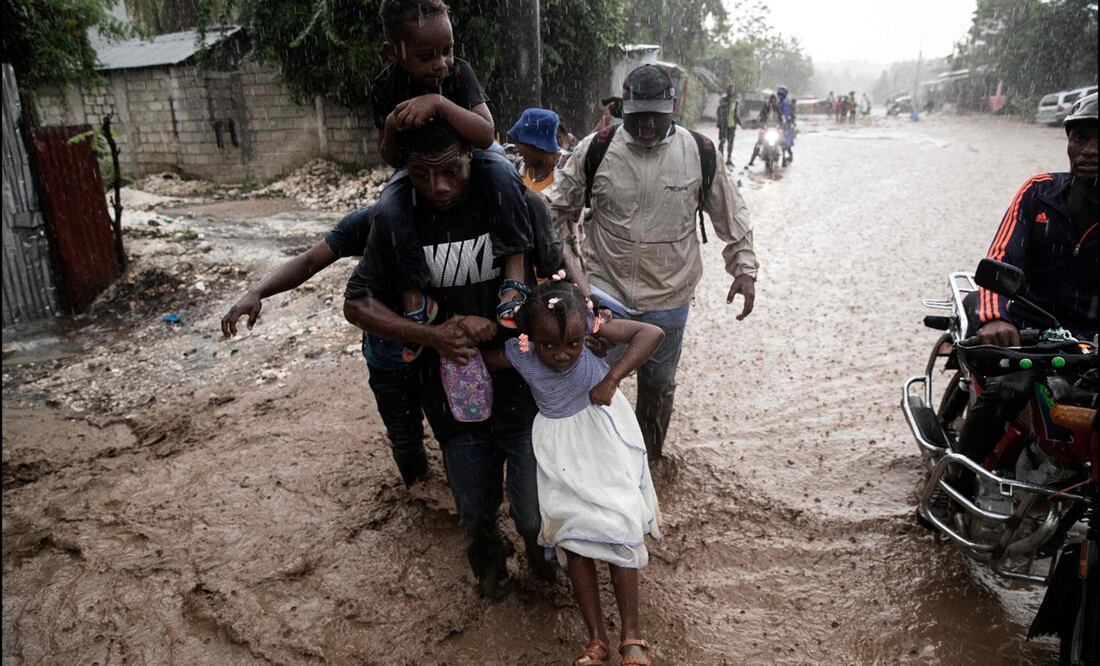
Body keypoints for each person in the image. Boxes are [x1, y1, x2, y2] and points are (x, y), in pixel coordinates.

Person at [343, 120, 562, 598]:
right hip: (449, 396)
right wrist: (433, 334)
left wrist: (579, 324)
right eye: (422, 175)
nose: (439, 187)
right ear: (406, 171)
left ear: (472, 158)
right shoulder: (395, 221)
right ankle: (492, 579)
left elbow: (559, 275)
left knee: (531, 509)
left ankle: (543, 567)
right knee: (475, 510)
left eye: (451, 172)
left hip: (520, 390)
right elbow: (356, 303)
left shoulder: (516, 203)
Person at [546, 64, 759, 460]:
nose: (644, 126)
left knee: (658, 386)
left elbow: (732, 215)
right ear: (623, 106)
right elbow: (555, 210)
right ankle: (595, 467)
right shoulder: (596, 148)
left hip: (670, 297)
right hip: (604, 293)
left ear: (673, 106)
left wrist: (744, 269)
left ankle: (650, 464)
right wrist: (568, 275)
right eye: (636, 116)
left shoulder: (699, 152)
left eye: (655, 117)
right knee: (586, 380)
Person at [481, 279, 663, 666]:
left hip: (602, 441)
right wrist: (449, 339)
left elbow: (652, 333)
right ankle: (596, 639)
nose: (562, 355)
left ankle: (632, 639)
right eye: (549, 345)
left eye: (572, 344)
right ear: (530, 336)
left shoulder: (593, 328)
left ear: (587, 331)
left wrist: (612, 378)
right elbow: (483, 359)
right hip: (558, 451)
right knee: (572, 537)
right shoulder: (521, 351)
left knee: (619, 527)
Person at [952, 92, 1098, 497]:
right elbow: (1000, 253)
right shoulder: (1038, 192)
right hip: (1027, 327)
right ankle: (955, 489)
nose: (1089, 151)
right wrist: (997, 317)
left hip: (1087, 340)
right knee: (1007, 390)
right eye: (1080, 138)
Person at [220, 206, 430, 487]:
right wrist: (257, 291)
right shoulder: (377, 219)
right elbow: (309, 261)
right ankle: (421, 495)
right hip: (387, 352)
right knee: (405, 439)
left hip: (441, 350)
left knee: (459, 435)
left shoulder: (457, 217)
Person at [369, 0, 533, 355]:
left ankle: (515, 272)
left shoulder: (459, 74)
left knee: (505, 172)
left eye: (447, 50)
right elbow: (392, 158)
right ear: (392, 53)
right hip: (418, 167)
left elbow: (486, 134)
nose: (440, 63)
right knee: (386, 209)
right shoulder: (384, 88)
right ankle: (415, 298)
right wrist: (393, 129)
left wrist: (439, 104)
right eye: (426, 56)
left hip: (470, 155)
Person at [747, 93, 781, 167]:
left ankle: (784, 157)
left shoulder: (778, 109)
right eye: (771, 101)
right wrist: (757, 121)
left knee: (783, 142)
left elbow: (781, 118)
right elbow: (760, 116)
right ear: (769, 101)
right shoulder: (765, 108)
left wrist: (783, 124)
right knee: (758, 144)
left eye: (774, 101)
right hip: (765, 129)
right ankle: (752, 160)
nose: (773, 103)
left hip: (774, 130)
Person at [715, 84, 744, 166]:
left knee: (730, 143)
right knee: (722, 141)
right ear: (728, 91)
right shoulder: (723, 100)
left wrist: (740, 123)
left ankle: (729, 158)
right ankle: (719, 158)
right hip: (723, 125)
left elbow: (735, 114)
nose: (732, 91)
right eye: (730, 90)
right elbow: (720, 108)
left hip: (732, 126)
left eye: (733, 90)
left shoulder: (736, 102)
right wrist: (728, 102)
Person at [777, 85, 795, 164]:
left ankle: (786, 157)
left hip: (785, 125)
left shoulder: (785, 102)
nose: (780, 96)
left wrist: (786, 120)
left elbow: (786, 114)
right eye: (779, 94)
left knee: (785, 142)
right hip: (778, 124)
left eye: (781, 94)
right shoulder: (778, 102)